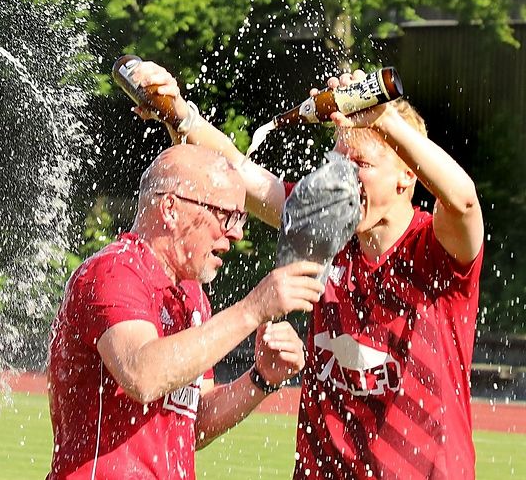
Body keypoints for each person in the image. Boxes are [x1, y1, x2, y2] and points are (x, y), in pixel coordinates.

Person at [128, 62, 485, 479]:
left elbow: (462, 202)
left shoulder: (434, 248)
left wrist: (384, 118)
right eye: (339, 162)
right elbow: (244, 177)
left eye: (362, 166)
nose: (342, 181)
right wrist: (180, 114)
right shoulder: (326, 226)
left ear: (407, 176)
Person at [48, 144, 326, 479]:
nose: (236, 233)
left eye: (240, 218)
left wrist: (261, 379)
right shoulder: (114, 270)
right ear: (170, 209)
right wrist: (252, 309)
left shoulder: (191, 294)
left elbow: (192, 423)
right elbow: (142, 375)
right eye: (226, 215)